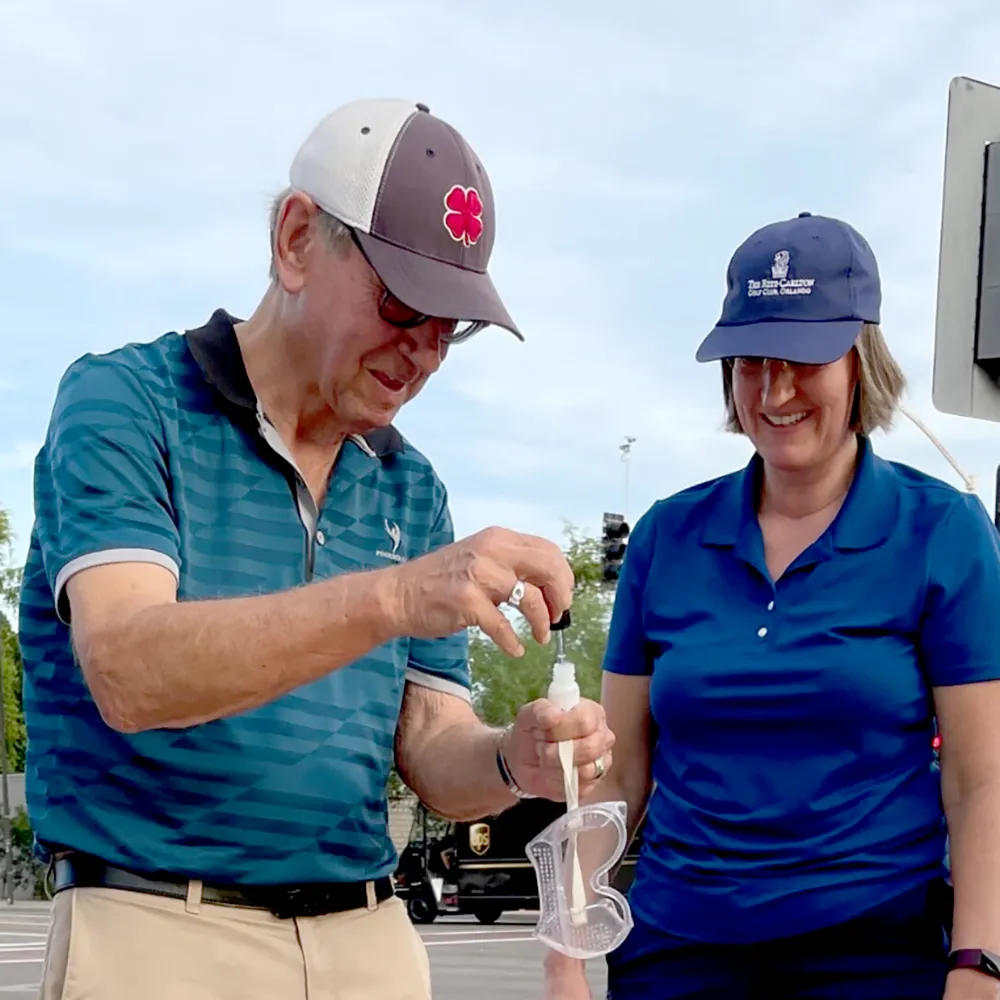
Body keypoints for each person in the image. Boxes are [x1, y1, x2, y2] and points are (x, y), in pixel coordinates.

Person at [17, 98, 614, 1000]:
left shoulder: (412, 489)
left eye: (450, 327)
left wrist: (510, 761)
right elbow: (129, 670)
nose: (423, 352)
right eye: (402, 301)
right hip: (157, 928)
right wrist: (392, 597)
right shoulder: (127, 403)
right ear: (297, 239)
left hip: (368, 936)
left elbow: (430, 746)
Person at [543, 212, 1000, 999]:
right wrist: (565, 951)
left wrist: (978, 963)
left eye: (802, 358)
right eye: (748, 361)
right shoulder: (667, 536)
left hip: (873, 953)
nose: (773, 389)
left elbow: (978, 778)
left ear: (860, 358)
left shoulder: (943, 534)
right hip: (675, 951)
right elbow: (620, 775)